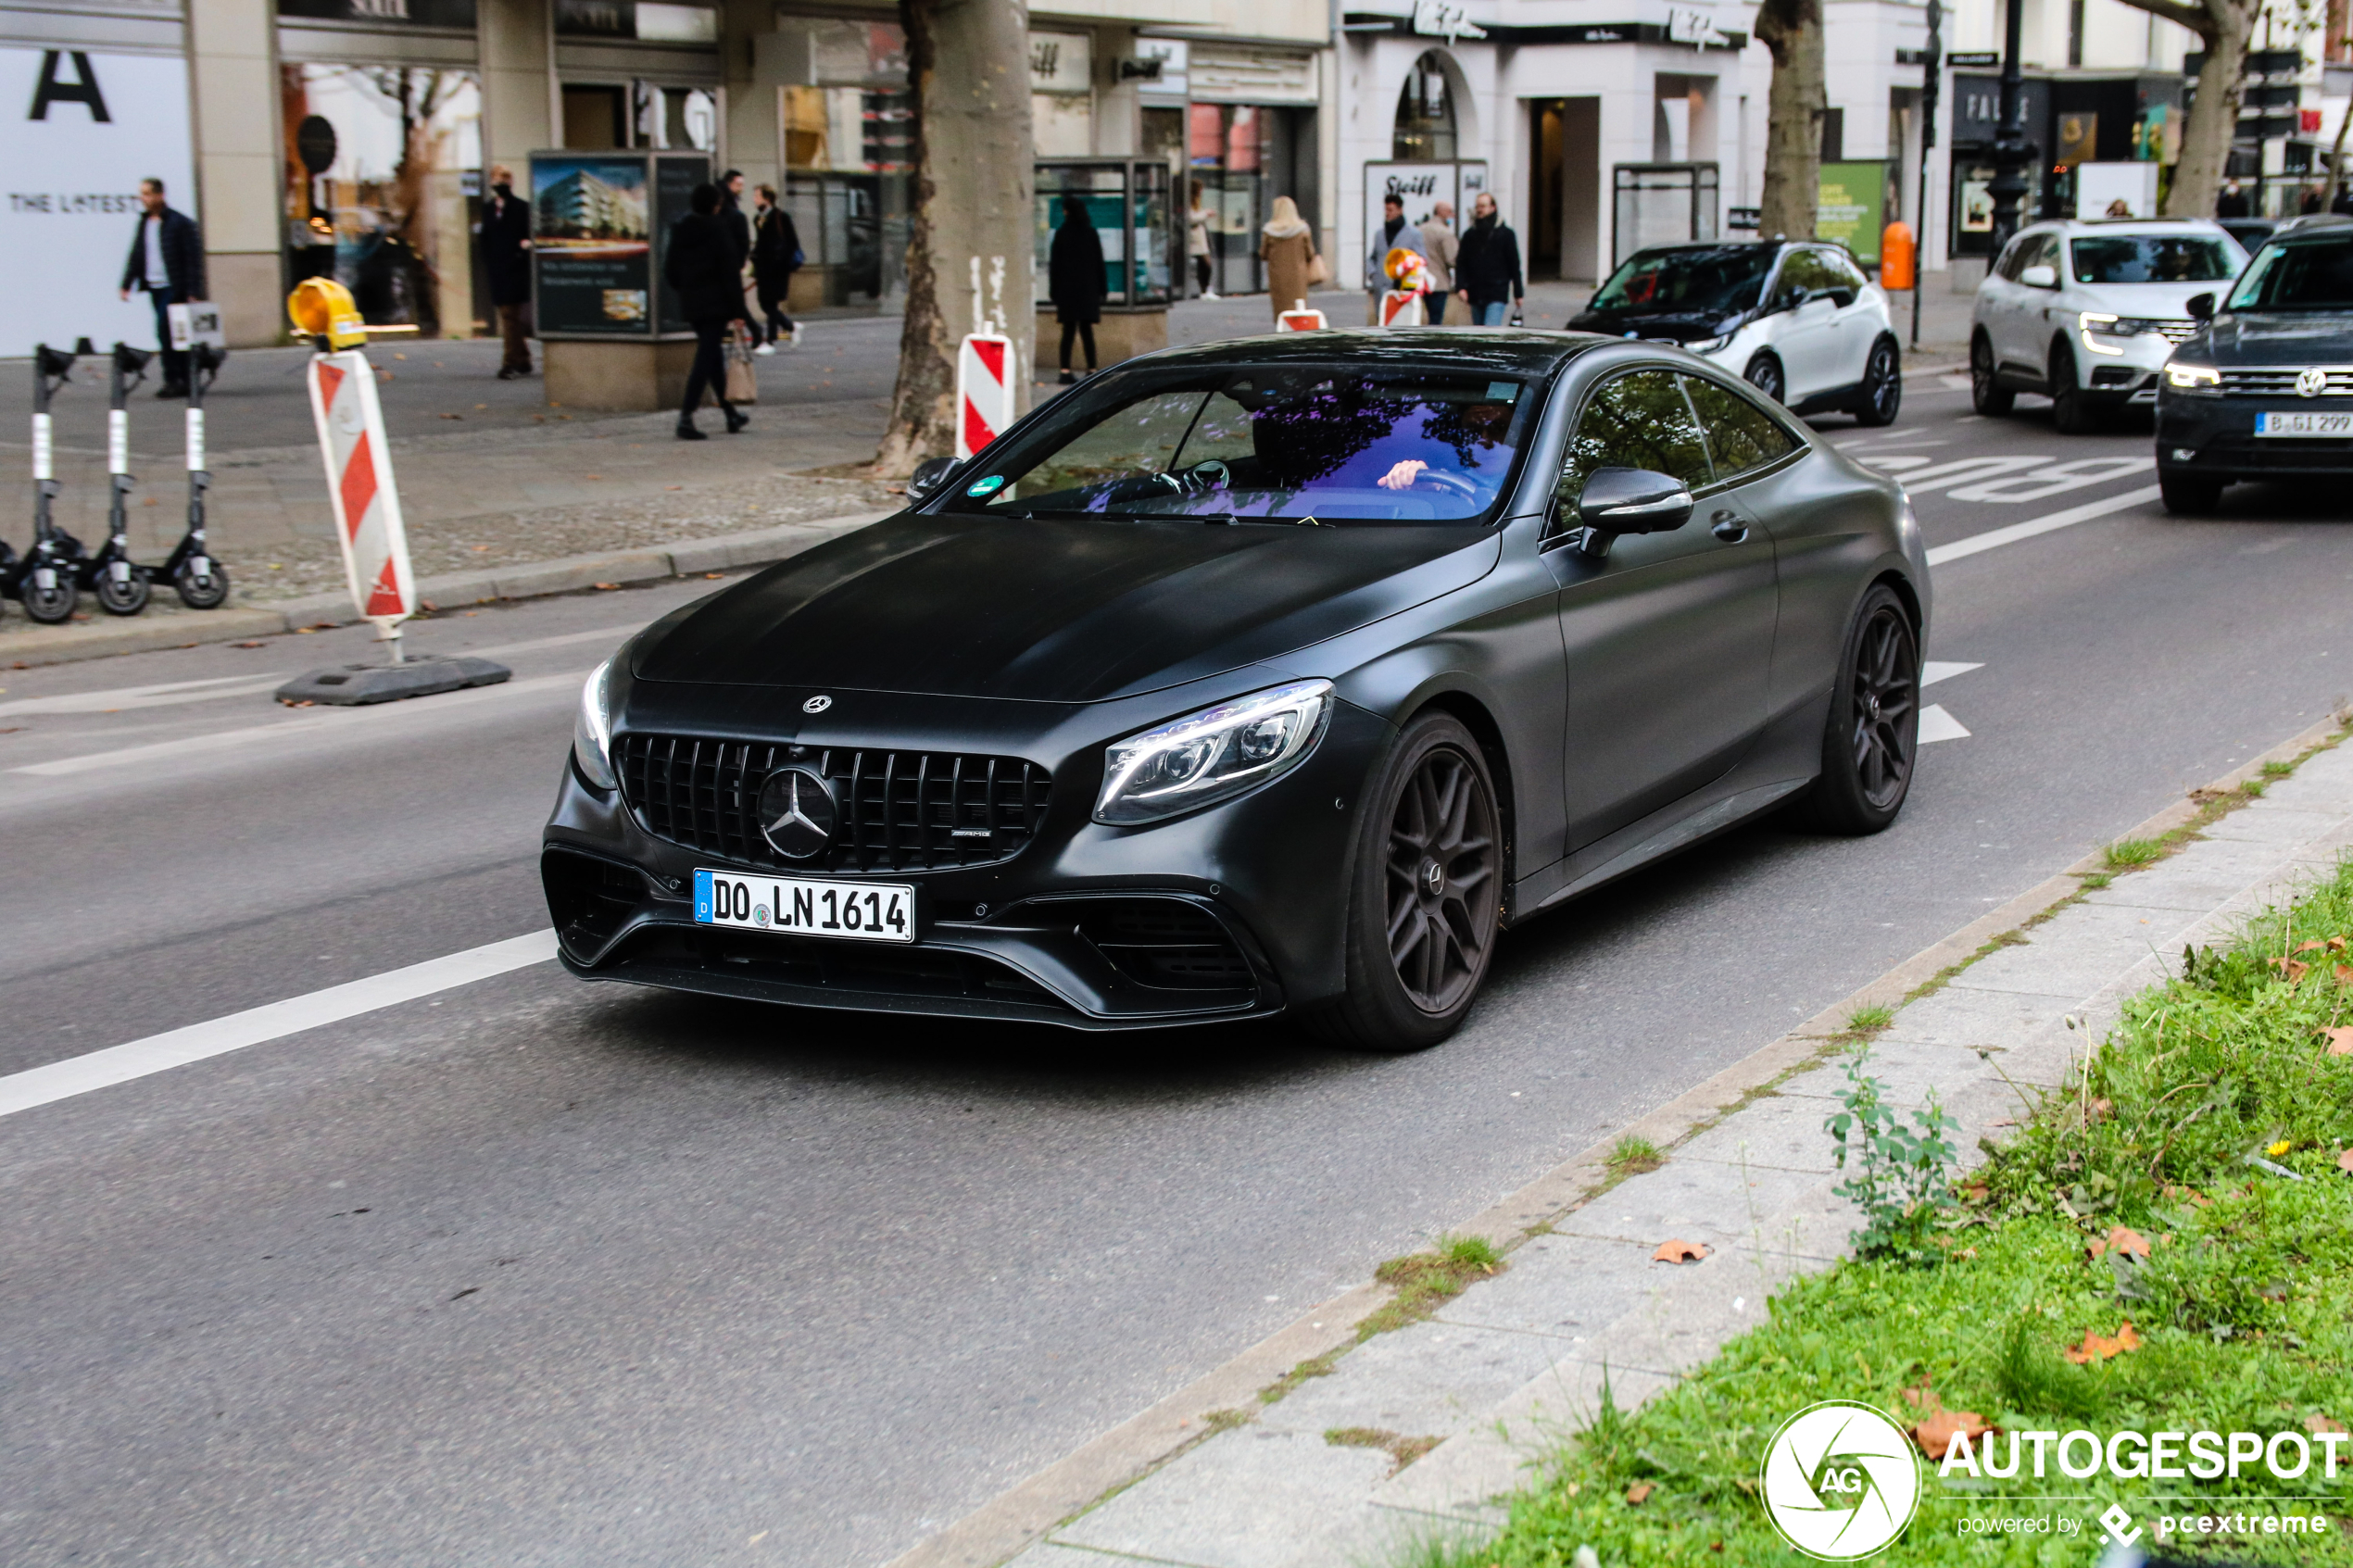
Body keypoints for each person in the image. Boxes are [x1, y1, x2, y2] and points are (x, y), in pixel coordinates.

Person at [665, 182, 748, 441]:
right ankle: (686, 416)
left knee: (712, 359)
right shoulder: (718, 230)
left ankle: (730, 412)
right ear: (716, 205)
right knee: (705, 358)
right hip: (716, 303)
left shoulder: (681, 230)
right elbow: (729, 273)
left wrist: (686, 288)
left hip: (692, 302)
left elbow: (670, 269)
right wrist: (738, 310)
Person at [117, 178, 206, 397]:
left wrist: (194, 290)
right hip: (154, 287)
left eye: (147, 194)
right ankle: (186, 378)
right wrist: (127, 283)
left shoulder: (179, 222)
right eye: (141, 194)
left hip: (174, 287)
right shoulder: (145, 223)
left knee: (165, 332)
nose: (143, 199)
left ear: (159, 195)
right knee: (175, 336)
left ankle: (174, 380)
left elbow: (193, 259)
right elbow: (137, 255)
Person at [481, 164, 534, 379]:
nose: (501, 182)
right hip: (498, 269)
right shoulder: (487, 209)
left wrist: (524, 248)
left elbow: (530, 234)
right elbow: (485, 237)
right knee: (509, 316)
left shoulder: (522, 207)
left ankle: (510, 362)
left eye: (505, 178)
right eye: (497, 178)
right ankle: (523, 358)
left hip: (516, 268)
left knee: (509, 315)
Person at [1049, 194, 1105, 383]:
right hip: (1088, 289)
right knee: (1087, 331)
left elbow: (1055, 265)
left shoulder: (1062, 234)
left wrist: (1054, 291)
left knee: (1068, 331)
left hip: (1067, 289)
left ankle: (1065, 370)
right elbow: (1099, 263)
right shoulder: (1090, 233)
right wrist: (1102, 289)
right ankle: (1092, 368)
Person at [1455, 192, 1524, 327]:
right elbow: (1461, 262)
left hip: (1496, 291)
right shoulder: (1470, 235)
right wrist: (1461, 286)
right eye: (1477, 206)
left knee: (1490, 329)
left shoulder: (1506, 234)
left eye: (1483, 206)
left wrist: (1518, 293)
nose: (1479, 209)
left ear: (1493, 208)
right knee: (1478, 331)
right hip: (1475, 292)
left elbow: (1514, 265)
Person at [749, 183, 801, 355]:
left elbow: (792, 242)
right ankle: (791, 327)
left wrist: (782, 261)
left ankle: (770, 342)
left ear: (767, 198)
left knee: (771, 303)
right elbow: (761, 243)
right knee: (765, 304)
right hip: (764, 268)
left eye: (757, 196)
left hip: (778, 269)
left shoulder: (781, 217)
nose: (755, 200)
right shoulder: (758, 219)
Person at [1365, 194, 1428, 323]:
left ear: (1400, 210)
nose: (1387, 213)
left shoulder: (1413, 234)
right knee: (1382, 322)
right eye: (1386, 210)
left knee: (1402, 324)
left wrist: (1409, 269)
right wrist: (1373, 274)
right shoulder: (1379, 234)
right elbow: (1372, 258)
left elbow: (1422, 259)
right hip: (1381, 288)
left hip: (1402, 290)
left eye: (1390, 210)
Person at [1258, 194, 1321, 322]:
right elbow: (1310, 253)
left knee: (1281, 308)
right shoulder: (1302, 230)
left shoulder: (1269, 231)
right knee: (1298, 306)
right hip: (1298, 274)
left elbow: (1263, 254)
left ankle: (1281, 327)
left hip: (1277, 275)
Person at [1417, 199, 1459, 324]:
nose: (1453, 215)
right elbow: (1452, 259)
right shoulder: (1445, 233)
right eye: (1451, 212)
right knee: (1436, 319)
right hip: (1439, 282)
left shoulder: (1419, 230)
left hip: (1421, 280)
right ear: (1442, 212)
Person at [1187, 181, 1215, 299]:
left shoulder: (1196, 203)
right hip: (1194, 238)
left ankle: (1205, 289)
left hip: (1199, 237)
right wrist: (1205, 214)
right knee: (1205, 263)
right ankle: (1205, 289)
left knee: (1203, 264)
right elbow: (1191, 218)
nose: (1202, 191)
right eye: (1200, 189)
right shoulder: (1189, 202)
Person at [719, 169, 752, 269]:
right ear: (729, 184)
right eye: (739, 184)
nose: (741, 188)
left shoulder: (726, 201)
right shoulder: (730, 209)